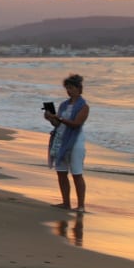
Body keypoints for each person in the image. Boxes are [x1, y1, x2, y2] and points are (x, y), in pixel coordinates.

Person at [43, 74, 90, 211]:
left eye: (71, 88)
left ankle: (81, 205)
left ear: (78, 88)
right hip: (61, 140)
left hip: (75, 142)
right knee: (61, 172)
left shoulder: (84, 106)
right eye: (67, 88)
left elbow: (76, 124)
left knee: (77, 173)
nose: (69, 91)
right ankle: (66, 202)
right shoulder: (64, 105)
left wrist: (59, 119)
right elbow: (57, 124)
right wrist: (50, 118)